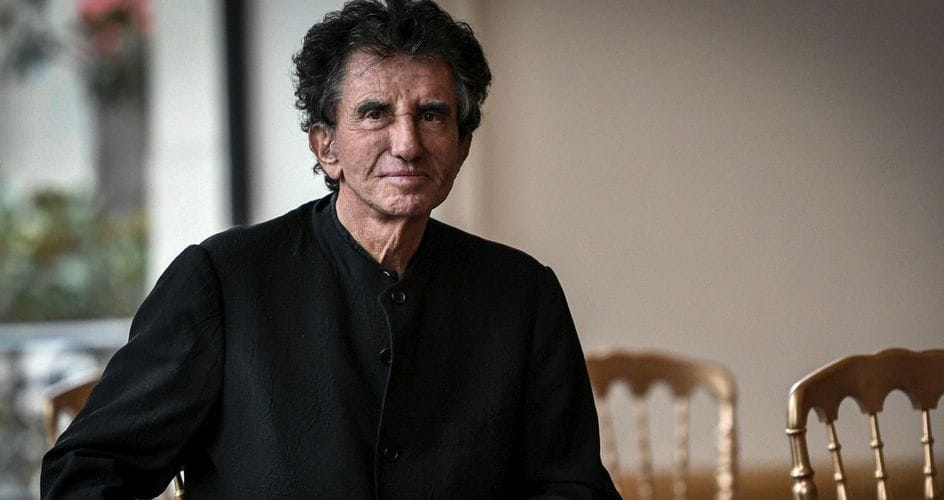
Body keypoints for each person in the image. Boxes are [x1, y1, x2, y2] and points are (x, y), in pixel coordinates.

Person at [41, 0, 620, 498]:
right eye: (374, 113)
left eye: (432, 115)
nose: (407, 143)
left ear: (463, 144)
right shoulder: (222, 281)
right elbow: (86, 471)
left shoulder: (522, 294)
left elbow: (572, 487)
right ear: (326, 147)